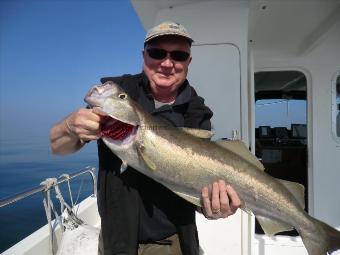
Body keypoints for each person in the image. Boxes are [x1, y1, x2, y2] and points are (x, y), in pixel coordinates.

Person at [50, 21, 241, 255]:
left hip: (170, 241)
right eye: (157, 53)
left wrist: (213, 206)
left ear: (188, 62)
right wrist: (70, 127)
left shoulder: (197, 112)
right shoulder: (121, 93)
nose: (167, 63)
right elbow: (57, 146)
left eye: (178, 55)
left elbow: (197, 185)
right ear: (144, 55)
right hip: (114, 239)